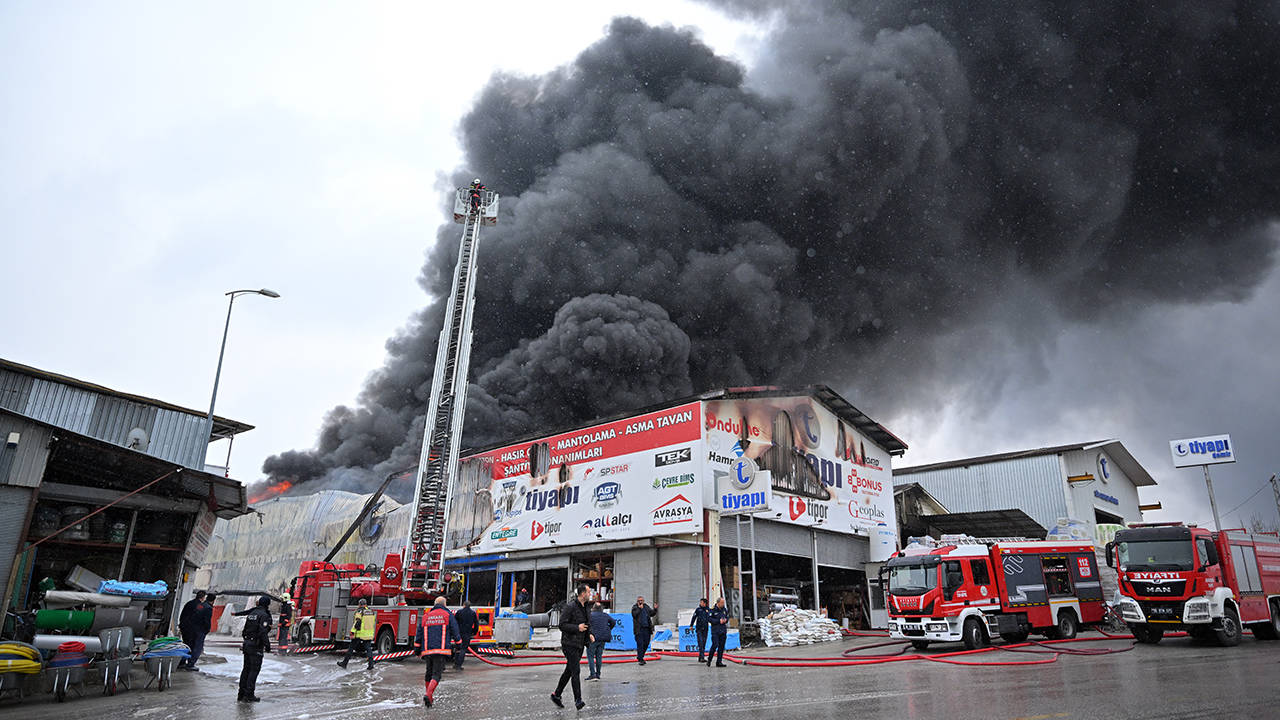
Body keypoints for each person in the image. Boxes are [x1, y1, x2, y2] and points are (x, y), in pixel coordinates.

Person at [413, 597, 459, 708]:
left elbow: (418, 635)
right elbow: (455, 630)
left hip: (427, 650)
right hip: (441, 650)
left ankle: (430, 696)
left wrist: (417, 650)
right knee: (436, 674)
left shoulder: (426, 616)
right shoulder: (448, 615)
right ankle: (428, 694)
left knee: (428, 673)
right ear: (445, 604)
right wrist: (459, 645)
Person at [551, 585, 590, 710]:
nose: (590, 594)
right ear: (582, 593)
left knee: (569, 670)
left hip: (579, 644)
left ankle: (556, 694)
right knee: (575, 671)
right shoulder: (570, 607)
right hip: (569, 644)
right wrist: (576, 628)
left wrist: (591, 635)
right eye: (588, 592)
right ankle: (578, 700)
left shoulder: (586, 607)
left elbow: (588, 624)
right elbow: (562, 625)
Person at [238, 595, 273, 703]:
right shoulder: (264, 615)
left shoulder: (252, 614)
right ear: (267, 604)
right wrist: (267, 645)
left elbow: (245, 630)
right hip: (255, 646)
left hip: (247, 643)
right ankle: (249, 694)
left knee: (246, 669)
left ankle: (241, 693)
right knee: (254, 670)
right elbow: (263, 631)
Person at [337, 599, 376, 670]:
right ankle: (371, 664)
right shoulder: (371, 611)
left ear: (360, 604)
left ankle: (344, 663)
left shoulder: (360, 611)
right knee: (368, 649)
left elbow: (357, 622)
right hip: (368, 633)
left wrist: (352, 631)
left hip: (359, 633)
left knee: (351, 648)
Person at [178, 590, 210, 671]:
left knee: (186, 645)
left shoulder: (189, 603)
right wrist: (205, 630)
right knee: (195, 647)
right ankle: (190, 664)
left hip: (185, 628)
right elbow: (201, 619)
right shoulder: (201, 606)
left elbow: (182, 615)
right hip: (193, 629)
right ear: (203, 597)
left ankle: (181, 662)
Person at [586, 601, 614, 680]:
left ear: (593, 608)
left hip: (593, 638)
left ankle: (592, 674)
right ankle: (598, 674)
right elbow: (613, 622)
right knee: (599, 656)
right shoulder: (605, 615)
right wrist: (608, 629)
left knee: (590, 656)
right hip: (603, 638)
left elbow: (586, 625)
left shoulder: (590, 615)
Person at [631, 595, 658, 664]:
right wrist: (639, 609)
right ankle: (640, 659)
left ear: (643, 601)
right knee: (640, 644)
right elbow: (634, 615)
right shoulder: (635, 607)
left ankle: (640, 656)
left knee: (646, 643)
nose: (640, 602)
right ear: (637, 601)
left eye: (641, 601)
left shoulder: (646, 607)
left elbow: (652, 613)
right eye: (639, 601)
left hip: (647, 629)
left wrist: (655, 609)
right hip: (639, 629)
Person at [453, 601, 479, 670]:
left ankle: (455, 664)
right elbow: (476, 624)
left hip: (459, 633)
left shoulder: (459, 612)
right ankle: (459, 665)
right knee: (463, 649)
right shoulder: (473, 613)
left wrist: (454, 632)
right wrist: (474, 632)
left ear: (463, 605)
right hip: (467, 633)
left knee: (458, 648)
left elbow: (454, 622)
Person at [707, 598, 730, 667]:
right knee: (715, 645)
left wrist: (725, 620)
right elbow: (709, 619)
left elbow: (727, 617)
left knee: (721, 647)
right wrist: (718, 621)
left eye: (723, 603)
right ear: (718, 603)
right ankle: (709, 660)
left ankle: (719, 662)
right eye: (722, 603)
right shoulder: (712, 610)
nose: (723, 604)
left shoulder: (724, 610)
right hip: (715, 631)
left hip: (723, 630)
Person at [692, 598, 711, 663]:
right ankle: (702, 657)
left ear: (705, 603)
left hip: (705, 628)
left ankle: (700, 657)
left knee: (704, 642)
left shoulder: (708, 610)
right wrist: (691, 625)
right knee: (700, 642)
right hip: (699, 628)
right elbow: (694, 617)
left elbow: (710, 618)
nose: (701, 603)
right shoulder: (698, 610)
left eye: (702, 602)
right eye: (700, 602)